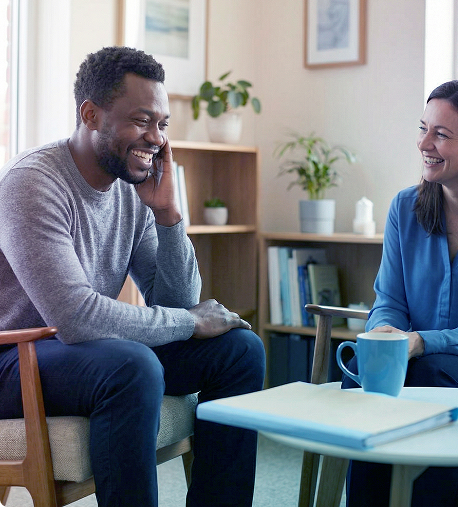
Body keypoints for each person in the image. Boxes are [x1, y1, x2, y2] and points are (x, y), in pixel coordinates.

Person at [0, 46, 266, 507]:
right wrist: (187, 323)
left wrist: (167, 214)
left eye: (162, 125)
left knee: (240, 350)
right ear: (90, 114)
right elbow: (77, 318)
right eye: (142, 121)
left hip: (81, 354)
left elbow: (178, 297)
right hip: (13, 357)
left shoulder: (131, 189)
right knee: (131, 365)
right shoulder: (33, 182)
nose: (156, 138)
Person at [342, 78, 458, 507]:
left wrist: (420, 343)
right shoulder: (403, 208)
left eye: (441, 134)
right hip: (421, 359)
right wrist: (387, 335)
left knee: (431, 374)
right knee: (364, 372)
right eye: (423, 128)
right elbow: (389, 299)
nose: (424, 143)